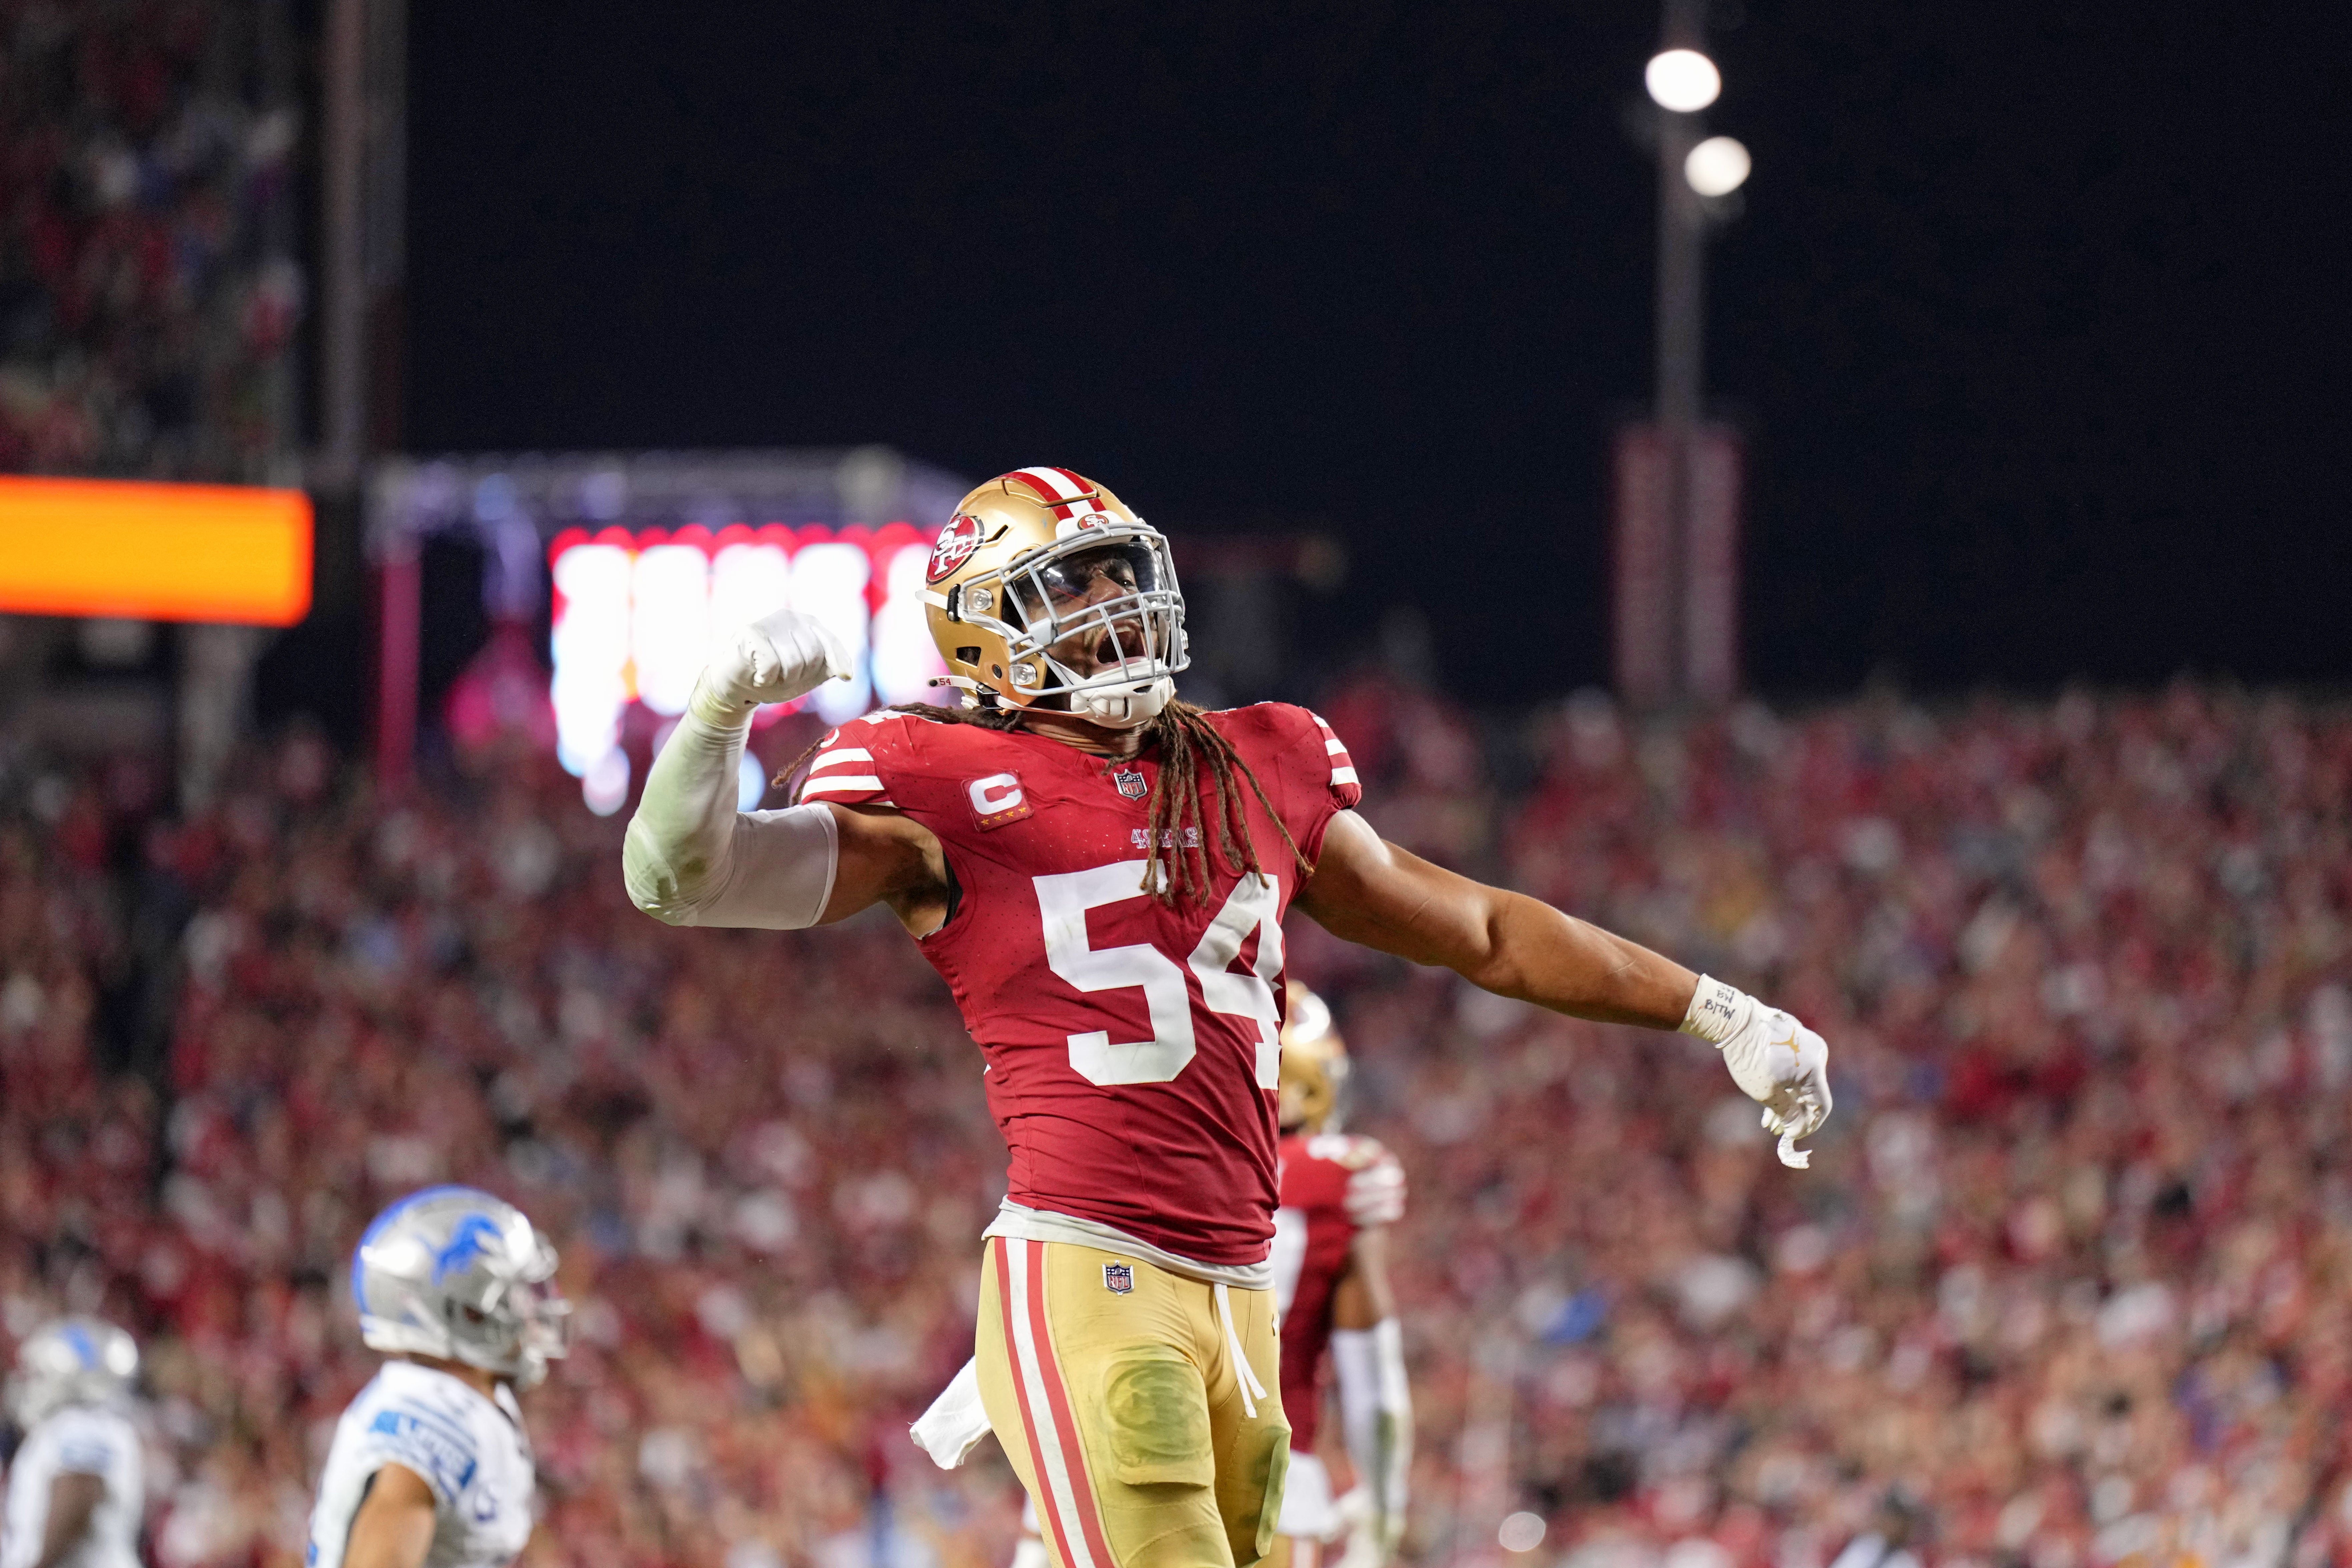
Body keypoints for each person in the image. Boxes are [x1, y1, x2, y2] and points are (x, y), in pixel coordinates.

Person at [623, 465, 1832, 1568]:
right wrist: (718, 716)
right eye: (1070, 586)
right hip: (1090, 1265)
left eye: (1123, 577)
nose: (1115, 609)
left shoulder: (1260, 757)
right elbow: (680, 878)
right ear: (983, 633)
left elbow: (1481, 931)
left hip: (1236, 1283)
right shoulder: (933, 777)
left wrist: (1717, 1009)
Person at [304, 1188, 570, 1568]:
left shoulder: (469, 1399)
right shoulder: (428, 1422)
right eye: (515, 1295)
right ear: (466, 1312)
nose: (534, 1310)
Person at [1266, 985, 1409, 1568]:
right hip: (1266, 1493)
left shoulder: (1131, 1161)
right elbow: (1373, 1377)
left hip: (1112, 1483)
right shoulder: (1336, 1178)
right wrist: (1383, 1506)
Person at [0, 1319, 143, 1568]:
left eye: (41, 1375)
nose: (32, 1384)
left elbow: (77, 1495)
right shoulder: (85, 1426)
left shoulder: (82, 1424)